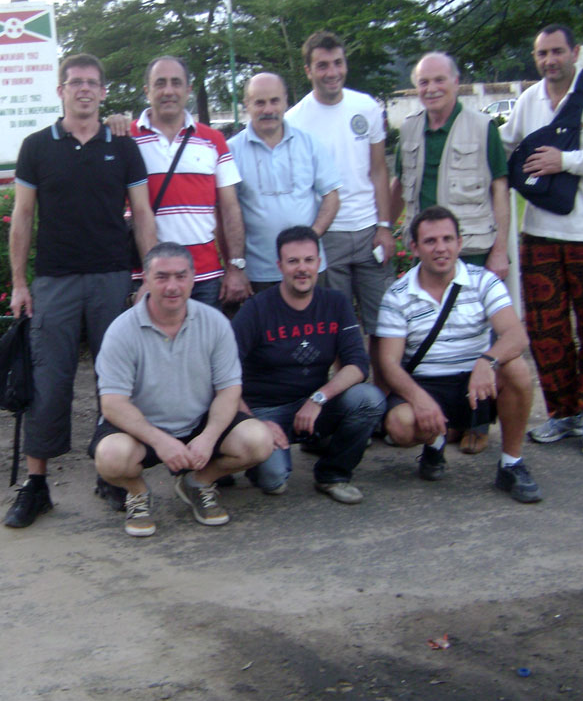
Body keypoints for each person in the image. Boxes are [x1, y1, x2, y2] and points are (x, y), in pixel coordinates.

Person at [4, 53, 156, 528]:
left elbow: (143, 214)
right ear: (61, 91)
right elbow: (23, 216)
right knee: (48, 382)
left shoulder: (124, 146)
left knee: (116, 383)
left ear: (103, 91)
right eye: (75, 82)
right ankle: (36, 486)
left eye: (92, 83)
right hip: (54, 280)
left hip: (113, 278)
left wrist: (149, 278)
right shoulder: (36, 147)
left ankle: (113, 474)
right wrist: (19, 283)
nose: (84, 89)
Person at [499, 23, 583, 456]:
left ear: (575, 52)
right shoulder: (529, 100)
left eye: (557, 51)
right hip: (539, 232)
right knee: (546, 329)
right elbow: (504, 144)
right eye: (542, 54)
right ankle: (562, 413)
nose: (550, 60)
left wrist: (567, 161)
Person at [90, 242, 273, 537]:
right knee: (110, 456)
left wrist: (209, 437)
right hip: (142, 429)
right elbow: (112, 403)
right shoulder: (121, 331)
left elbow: (229, 390)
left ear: (193, 278)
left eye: (180, 276)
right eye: (162, 277)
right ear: (146, 280)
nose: (172, 286)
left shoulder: (215, 323)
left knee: (258, 441)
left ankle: (199, 481)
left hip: (199, 421)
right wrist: (160, 441)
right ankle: (137, 493)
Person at [390, 51, 512, 455]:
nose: (431, 89)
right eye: (423, 82)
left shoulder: (482, 127)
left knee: (478, 338)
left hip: (472, 246)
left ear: (456, 82)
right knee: (438, 339)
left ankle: (479, 420)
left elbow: (499, 187)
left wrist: (500, 249)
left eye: (439, 80)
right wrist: (385, 228)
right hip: (425, 249)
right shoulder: (410, 129)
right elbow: (400, 184)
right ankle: (452, 418)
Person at [377, 206, 541, 503]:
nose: (440, 248)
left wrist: (487, 361)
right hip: (427, 383)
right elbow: (388, 363)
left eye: (447, 239)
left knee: (516, 368)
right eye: (430, 241)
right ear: (414, 247)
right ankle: (435, 442)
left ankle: (511, 464)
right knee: (400, 425)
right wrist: (418, 398)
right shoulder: (397, 295)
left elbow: (516, 336)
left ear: (459, 243)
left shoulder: (484, 281)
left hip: (476, 383)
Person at [232, 226, 385, 503]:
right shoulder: (256, 310)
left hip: (314, 404)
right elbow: (224, 374)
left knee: (369, 399)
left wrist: (319, 398)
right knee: (274, 481)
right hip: (266, 409)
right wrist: (253, 423)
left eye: (308, 260)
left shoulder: (335, 303)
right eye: (293, 261)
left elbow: (358, 364)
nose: (302, 268)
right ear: (279, 266)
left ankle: (333, 474)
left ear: (319, 263)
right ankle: (259, 457)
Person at [286, 31, 395, 384]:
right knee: (338, 329)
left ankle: (385, 398)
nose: (331, 72)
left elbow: (379, 170)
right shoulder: (295, 119)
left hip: (370, 232)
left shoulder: (367, 107)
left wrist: (385, 226)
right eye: (322, 65)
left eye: (337, 63)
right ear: (308, 70)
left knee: (384, 326)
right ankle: (349, 400)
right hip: (327, 237)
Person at [130, 56, 251, 309]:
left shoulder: (213, 140)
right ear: (147, 91)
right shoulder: (126, 139)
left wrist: (236, 266)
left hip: (204, 276)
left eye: (176, 83)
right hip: (151, 278)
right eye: (160, 83)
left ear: (188, 89)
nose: (168, 91)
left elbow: (230, 208)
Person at [227, 73, 342, 291]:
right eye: (259, 102)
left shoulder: (309, 144)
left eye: (274, 101)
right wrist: (236, 265)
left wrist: (310, 238)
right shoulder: (232, 151)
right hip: (259, 273)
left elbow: (332, 197)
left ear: (285, 102)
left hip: (309, 270)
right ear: (246, 104)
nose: (268, 109)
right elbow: (226, 212)